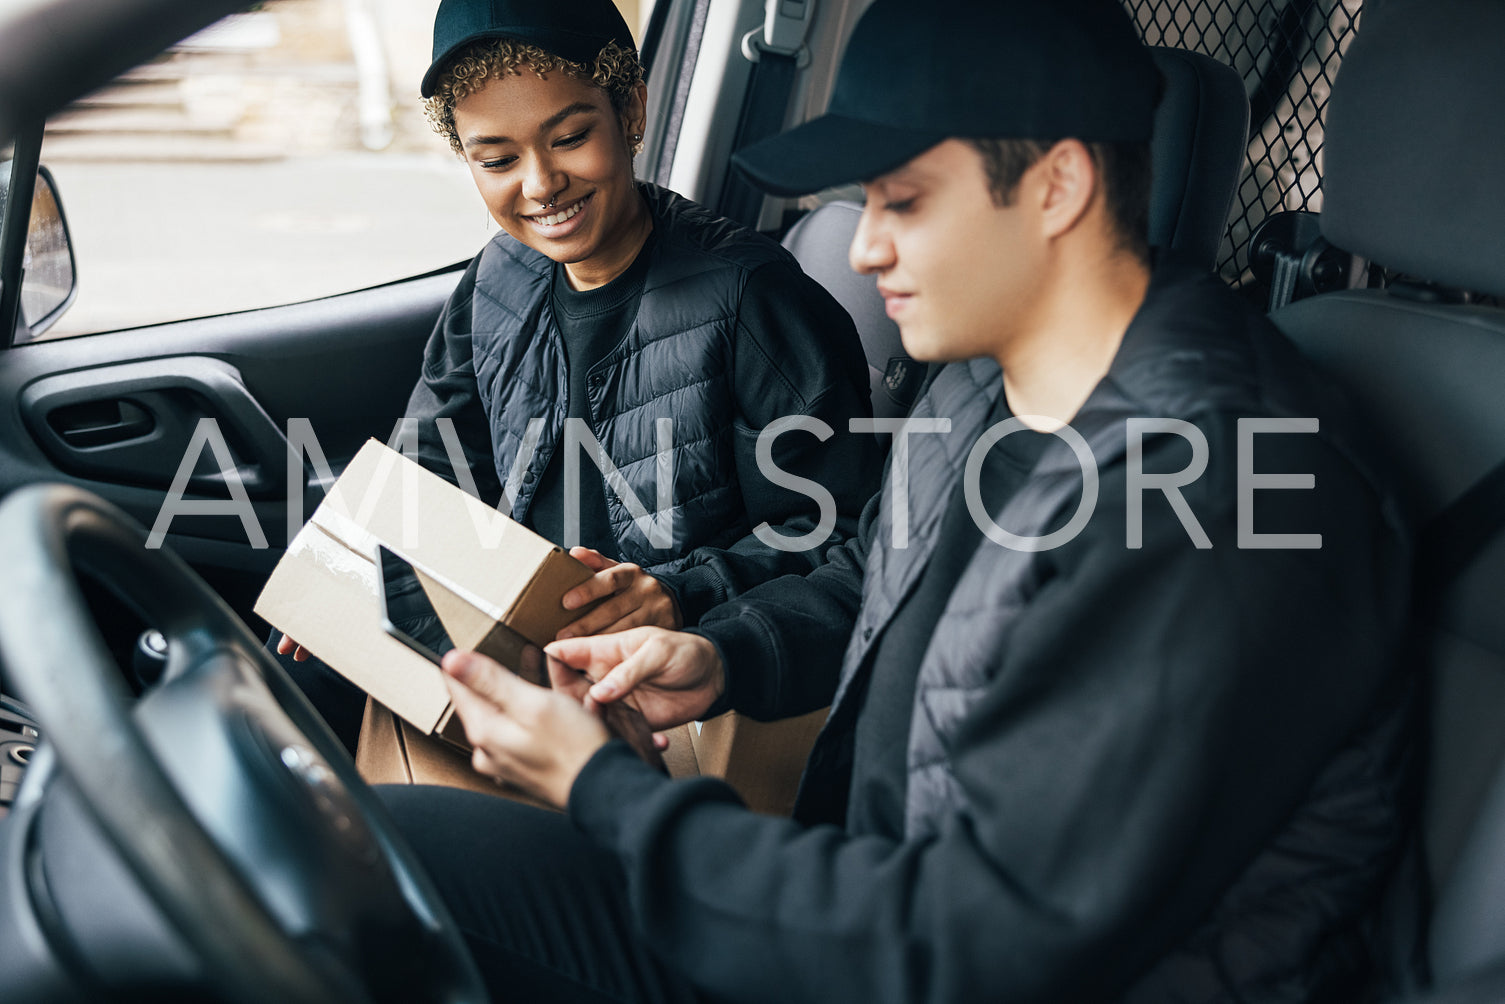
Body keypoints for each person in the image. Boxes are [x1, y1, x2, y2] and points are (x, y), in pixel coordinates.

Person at [377, 0, 1417, 1000]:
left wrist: (607, 793)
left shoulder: (1217, 486)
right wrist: (717, 651)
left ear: (1054, 186)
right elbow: (859, 570)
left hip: (924, 950)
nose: (863, 248)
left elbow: (981, 943)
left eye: (901, 200)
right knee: (366, 844)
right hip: (859, 898)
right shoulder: (977, 378)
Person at [277, 0, 881, 749]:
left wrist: (676, 594)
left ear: (630, 109)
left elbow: (839, 530)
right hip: (520, 649)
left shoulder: (751, 298)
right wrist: (351, 575)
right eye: (496, 160)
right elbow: (427, 472)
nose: (539, 185)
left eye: (568, 138)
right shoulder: (497, 278)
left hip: (664, 690)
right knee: (287, 705)